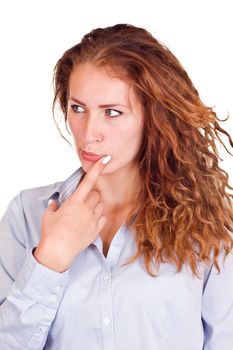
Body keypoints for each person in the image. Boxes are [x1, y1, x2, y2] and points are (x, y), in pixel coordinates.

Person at [0, 23, 233, 350]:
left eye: (112, 112)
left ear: (154, 118)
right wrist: (50, 259)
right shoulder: (26, 215)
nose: (88, 132)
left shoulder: (208, 224)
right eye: (77, 108)